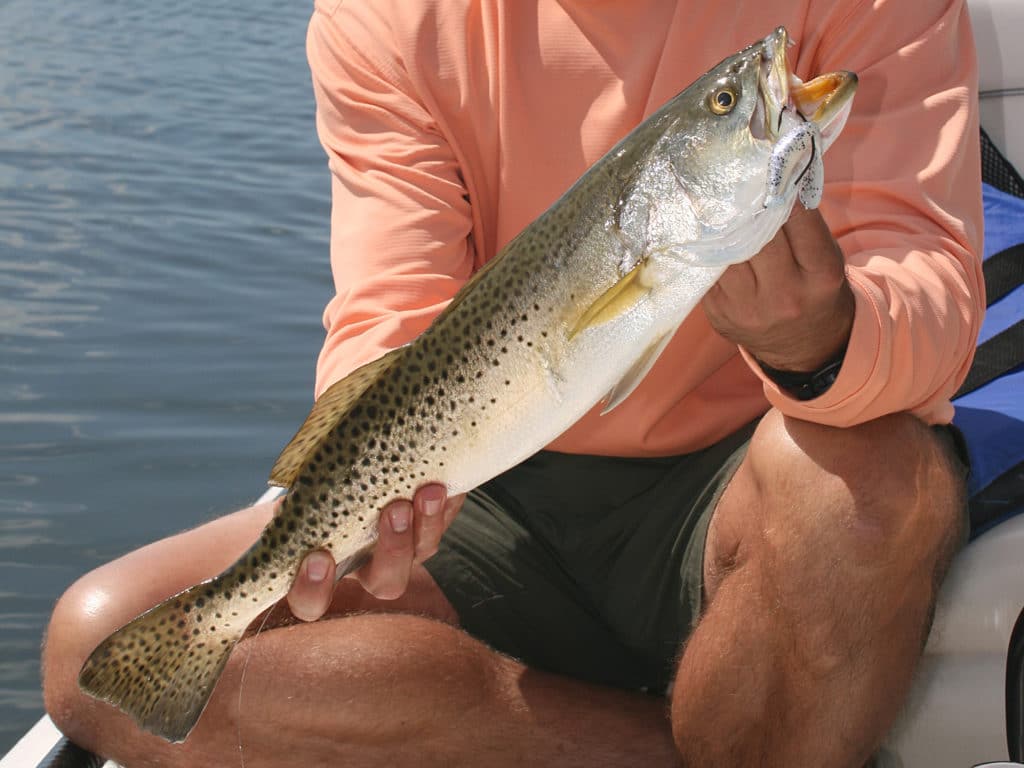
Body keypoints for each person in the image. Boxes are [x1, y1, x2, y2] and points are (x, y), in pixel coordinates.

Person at [42, 0, 983, 765]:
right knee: (95, 645)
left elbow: (934, 296)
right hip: (484, 488)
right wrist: (390, 498)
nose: (758, 91)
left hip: (739, 489)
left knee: (872, 496)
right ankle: (690, 750)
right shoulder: (385, 17)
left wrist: (819, 341)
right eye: (732, 106)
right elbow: (389, 318)